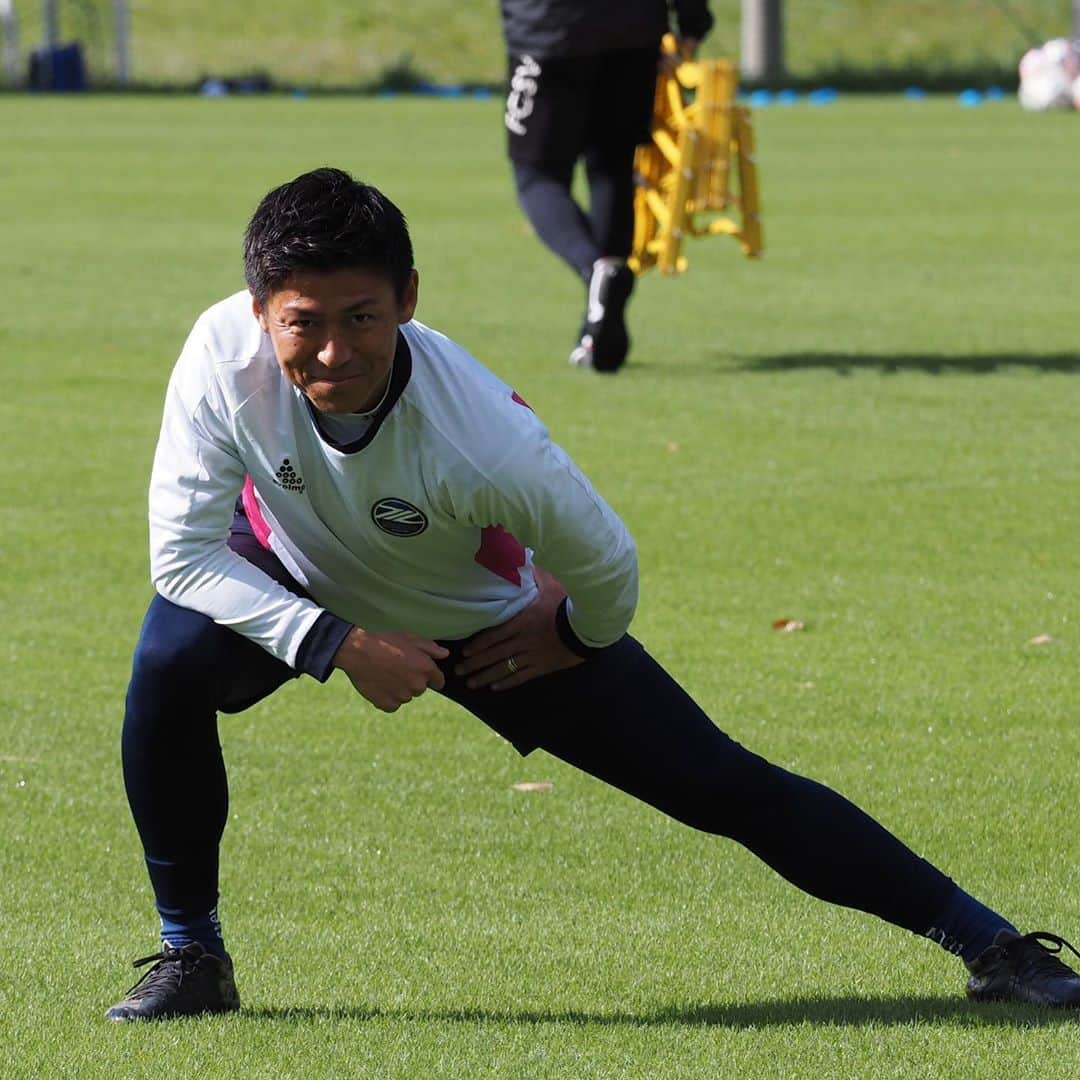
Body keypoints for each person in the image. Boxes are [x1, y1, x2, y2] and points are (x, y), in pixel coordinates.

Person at [108, 168, 1080, 1021]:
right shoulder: (218, 358)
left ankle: (995, 948)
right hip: (297, 570)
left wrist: (571, 627)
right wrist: (337, 643)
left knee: (722, 786)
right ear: (257, 309)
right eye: (302, 324)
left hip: (484, 627)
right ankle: (194, 954)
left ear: (407, 298)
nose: (331, 352)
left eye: (359, 317)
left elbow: (612, 565)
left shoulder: (482, 439)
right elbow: (185, 559)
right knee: (170, 662)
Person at [499, 0, 714, 373]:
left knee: (537, 176)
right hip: (634, 31)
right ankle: (597, 334)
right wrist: (692, 20)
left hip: (549, 30)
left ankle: (597, 269)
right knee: (613, 167)